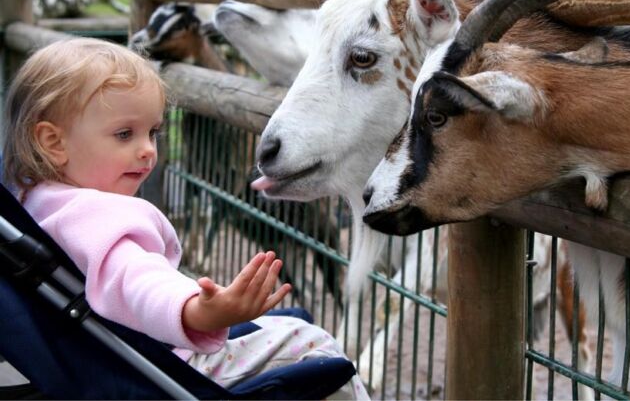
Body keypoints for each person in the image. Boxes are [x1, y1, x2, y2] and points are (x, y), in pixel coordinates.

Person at [2, 37, 369, 399]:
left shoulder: (30, 202)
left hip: (104, 358)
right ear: (53, 143)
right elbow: (136, 280)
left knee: (281, 325)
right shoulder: (96, 217)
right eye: (124, 134)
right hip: (167, 363)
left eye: (153, 132)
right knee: (310, 341)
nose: (147, 150)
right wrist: (197, 311)